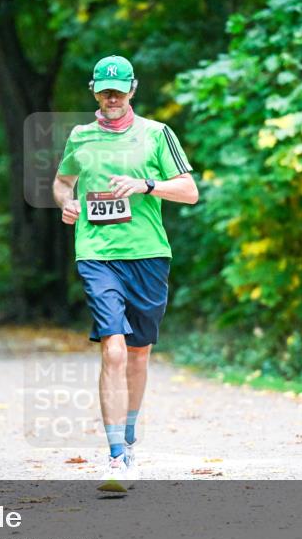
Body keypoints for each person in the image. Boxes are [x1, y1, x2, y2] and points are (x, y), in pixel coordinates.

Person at [53, 55, 198, 489]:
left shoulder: (157, 134)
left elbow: (189, 192)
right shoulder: (80, 137)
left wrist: (147, 185)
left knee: (138, 353)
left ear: (133, 89)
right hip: (96, 253)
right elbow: (63, 181)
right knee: (112, 349)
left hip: (149, 254)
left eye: (119, 89)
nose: (112, 97)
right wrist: (67, 201)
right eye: (104, 90)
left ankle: (129, 437)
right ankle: (116, 456)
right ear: (94, 91)